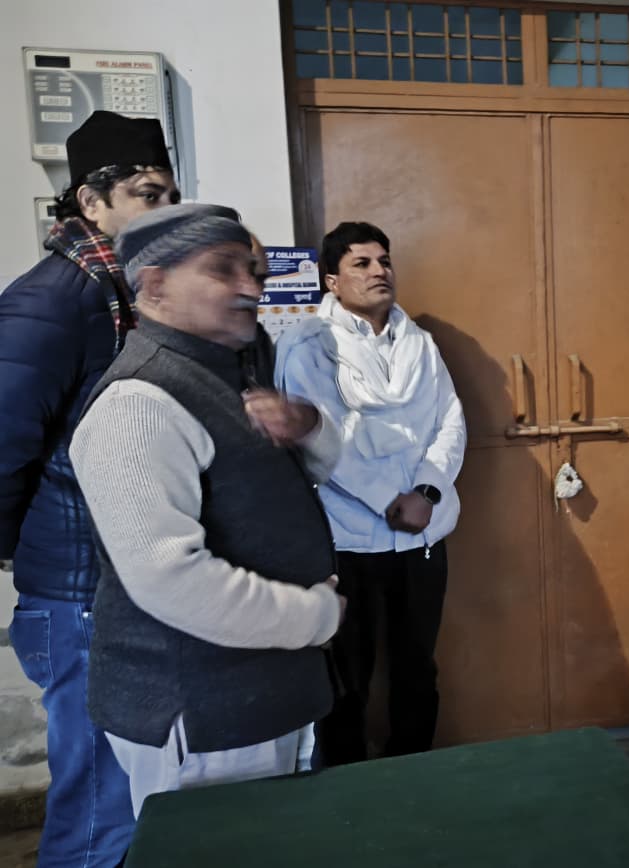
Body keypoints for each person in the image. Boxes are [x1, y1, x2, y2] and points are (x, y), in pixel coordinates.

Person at [68, 203, 345, 817]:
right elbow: (170, 579)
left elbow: (294, 483)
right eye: (224, 269)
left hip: (263, 695)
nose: (252, 288)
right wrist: (316, 616)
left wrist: (307, 426)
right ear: (155, 284)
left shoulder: (228, 372)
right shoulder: (137, 403)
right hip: (202, 713)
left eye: (254, 270)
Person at [0, 111, 179, 866]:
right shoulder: (51, 302)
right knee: (101, 809)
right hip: (78, 594)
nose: (166, 213)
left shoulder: (131, 294)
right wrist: (26, 552)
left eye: (171, 196)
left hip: (126, 580)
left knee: (134, 795)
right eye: (147, 195)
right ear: (92, 201)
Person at [275, 220, 466, 763]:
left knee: (417, 669)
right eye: (361, 263)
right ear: (332, 281)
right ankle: (347, 790)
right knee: (347, 677)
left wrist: (426, 492)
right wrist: (389, 499)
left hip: (422, 534)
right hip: (349, 540)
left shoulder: (419, 342)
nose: (378, 271)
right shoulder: (308, 345)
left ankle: (415, 774)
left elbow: (450, 422)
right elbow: (321, 439)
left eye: (384, 261)